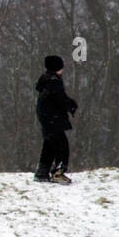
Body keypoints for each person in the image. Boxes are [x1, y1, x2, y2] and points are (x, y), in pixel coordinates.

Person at [34, 55, 78, 183]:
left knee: (49, 145)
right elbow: (60, 99)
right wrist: (71, 105)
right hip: (53, 118)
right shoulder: (54, 81)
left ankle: (42, 172)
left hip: (46, 117)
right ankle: (58, 172)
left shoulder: (46, 80)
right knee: (62, 146)